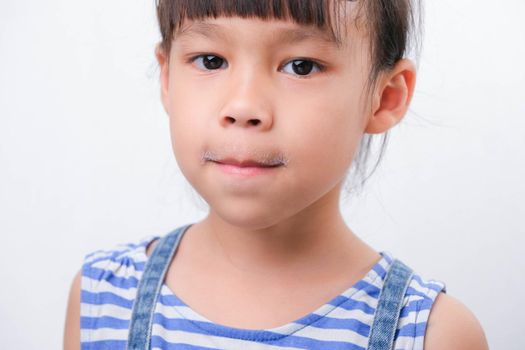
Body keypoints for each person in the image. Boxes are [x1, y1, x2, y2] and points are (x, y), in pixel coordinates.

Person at [64, 1, 489, 349]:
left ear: (385, 97)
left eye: (301, 66)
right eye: (211, 60)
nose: (244, 106)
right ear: (168, 77)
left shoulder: (426, 335)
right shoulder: (102, 301)